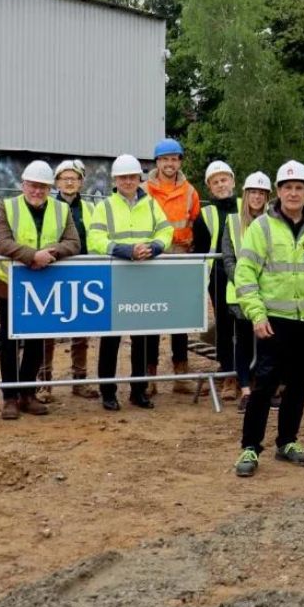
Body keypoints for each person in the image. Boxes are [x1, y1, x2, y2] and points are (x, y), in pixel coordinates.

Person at [232, 161, 304, 478]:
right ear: (278, 192)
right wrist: (256, 313)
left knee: (297, 383)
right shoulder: (262, 227)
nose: (293, 193)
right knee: (264, 384)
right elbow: (245, 275)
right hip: (273, 320)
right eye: (287, 187)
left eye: (299, 188)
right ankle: (250, 446)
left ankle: (287, 441)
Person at [0, 161, 80, 419]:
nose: (37, 191)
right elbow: (3, 243)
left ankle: (28, 393)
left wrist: (50, 253)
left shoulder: (61, 210)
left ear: (49, 188)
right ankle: (10, 396)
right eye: (33, 185)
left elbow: (74, 243)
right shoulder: (8, 207)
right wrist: (33, 256)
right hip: (11, 284)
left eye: (42, 187)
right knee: (9, 341)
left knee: (37, 341)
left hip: (44, 285)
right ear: (23, 185)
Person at [88, 154, 173, 411]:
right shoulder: (104, 206)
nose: (127, 181)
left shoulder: (151, 204)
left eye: (132, 177)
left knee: (143, 338)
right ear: (116, 179)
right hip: (116, 278)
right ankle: (108, 391)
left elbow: (166, 230)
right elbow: (95, 239)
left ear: (139, 178)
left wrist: (155, 247)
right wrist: (124, 250)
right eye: (123, 177)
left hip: (143, 279)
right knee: (111, 338)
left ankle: (139, 390)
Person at [144, 138, 201, 395]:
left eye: (174, 159)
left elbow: (196, 225)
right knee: (152, 319)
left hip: (180, 259)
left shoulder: (190, 192)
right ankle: (149, 377)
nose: (170, 164)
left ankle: (181, 375)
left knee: (180, 321)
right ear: (157, 162)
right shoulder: (144, 190)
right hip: (152, 261)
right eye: (165, 159)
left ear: (179, 162)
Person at [44, 159, 98, 399]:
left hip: (81, 273)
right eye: (64, 177)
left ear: (81, 182)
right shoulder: (46, 206)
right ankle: (43, 383)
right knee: (46, 333)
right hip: (52, 273)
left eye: (74, 178)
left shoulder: (89, 209)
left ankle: (80, 380)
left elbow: (94, 239)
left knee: (81, 332)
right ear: (56, 182)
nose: (69, 181)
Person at [222, 171, 272, 414]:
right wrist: (245, 283)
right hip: (240, 294)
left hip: (269, 293)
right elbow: (228, 258)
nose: (257, 197)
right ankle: (245, 390)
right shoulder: (232, 221)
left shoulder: (274, 221)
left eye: (261, 193)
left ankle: (264, 389)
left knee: (265, 342)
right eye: (253, 192)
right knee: (243, 342)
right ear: (246, 194)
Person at [194, 160, 241, 401]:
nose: (221, 185)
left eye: (224, 180)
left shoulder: (246, 206)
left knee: (247, 324)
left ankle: (247, 373)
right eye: (216, 182)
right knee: (224, 326)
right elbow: (201, 250)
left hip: (246, 274)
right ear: (209, 188)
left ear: (233, 181)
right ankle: (228, 375)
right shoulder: (205, 215)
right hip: (219, 276)